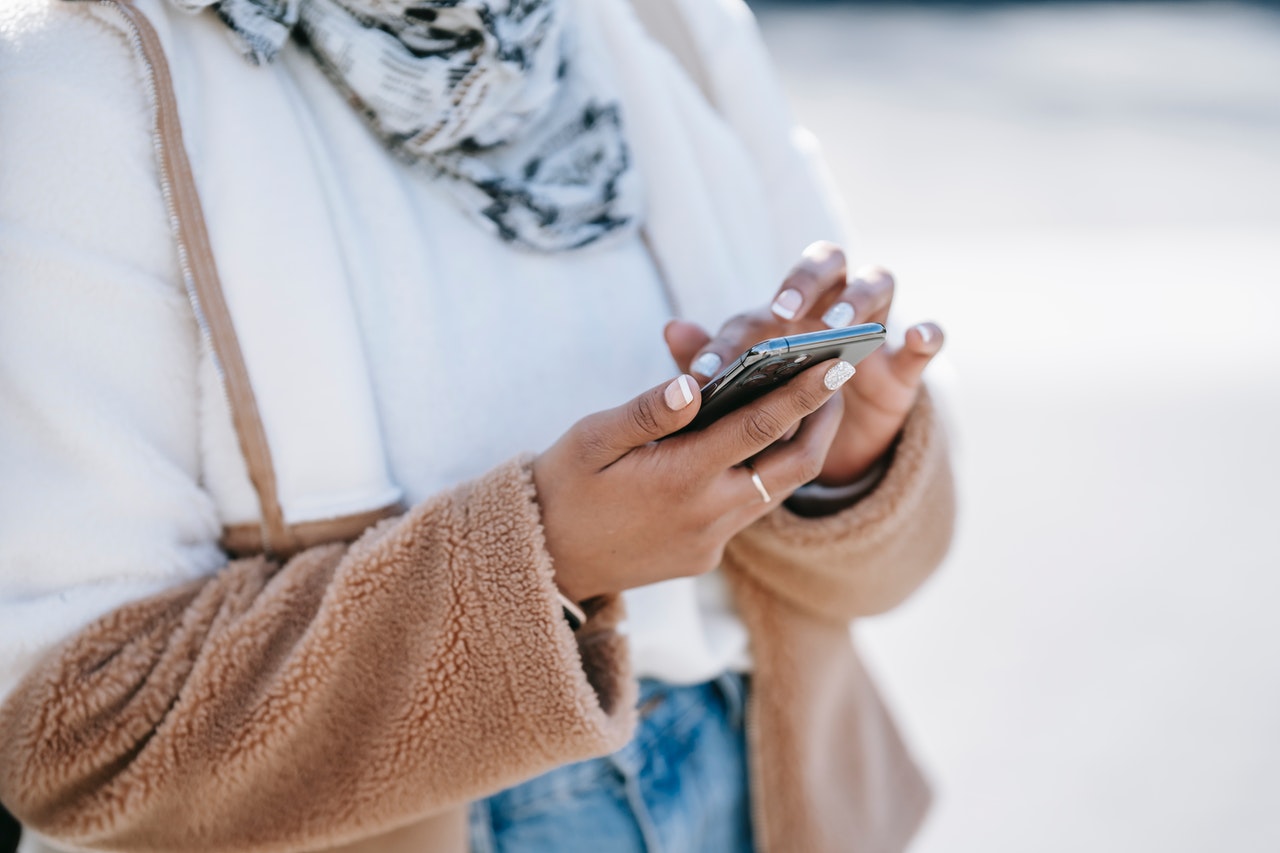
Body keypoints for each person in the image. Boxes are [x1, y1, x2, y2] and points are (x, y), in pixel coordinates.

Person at [0, 0, 955, 851]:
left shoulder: (659, 20)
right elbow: (75, 735)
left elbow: (890, 569)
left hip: (755, 784)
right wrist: (548, 562)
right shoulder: (71, 83)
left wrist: (838, 467)